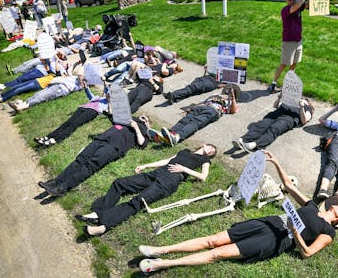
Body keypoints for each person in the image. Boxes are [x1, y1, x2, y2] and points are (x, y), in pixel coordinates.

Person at [137, 150, 338, 273]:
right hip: (269, 222)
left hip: (279, 239)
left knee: (217, 254)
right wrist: (277, 162)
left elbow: (307, 253)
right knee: (213, 240)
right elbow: (288, 186)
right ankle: (161, 249)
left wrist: (295, 232)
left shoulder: (328, 232)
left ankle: (162, 264)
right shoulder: (312, 206)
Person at [75, 144, 217, 236]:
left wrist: (184, 169)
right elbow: (167, 160)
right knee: (120, 183)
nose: (210, 151)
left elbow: (203, 176)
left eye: (212, 152)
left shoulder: (204, 160)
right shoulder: (185, 151)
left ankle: (103, 226)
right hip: (157, 173)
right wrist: (146, 165)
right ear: (204, 145)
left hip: (171, 179)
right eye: (210, 147)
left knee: (138, 201)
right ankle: (97, 212)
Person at [38, 116, 151, 197]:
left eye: (146, 119)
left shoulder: (144, 131)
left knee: (90, 166)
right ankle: (56, 181)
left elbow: (142, 143)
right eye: (143, 117)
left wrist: (137, 127)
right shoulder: (127, 119)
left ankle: (63, 188)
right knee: (79, 160)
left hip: (114, 146)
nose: (143, 118)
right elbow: (111, 114)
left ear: (148, 124)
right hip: (101, 139)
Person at [152, 85, 239, 147]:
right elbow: (204, 101)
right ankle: (169, 134)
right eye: (228, 89)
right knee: (185, 120)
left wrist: (232, 97)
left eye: (231, 90)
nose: (228, 90)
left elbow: (233, 111)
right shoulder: (216, 94)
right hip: (201, 107)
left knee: (195, 123)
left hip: (213, 110)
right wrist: (190, 108)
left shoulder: (231, 101)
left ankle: (177, 137)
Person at [267, 0, 312, 93]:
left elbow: (307, 4)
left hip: (298, 41)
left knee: (294, 63)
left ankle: (287, 84)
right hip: (289, 42)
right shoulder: (285, 10)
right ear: (286, 0)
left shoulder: (298, 7)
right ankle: (273, 84)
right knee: (284, 64)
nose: (291, 1)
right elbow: (299, 4)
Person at [233, 93, 314, 152]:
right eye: (302, 97)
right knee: (262, 125)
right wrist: (279, 98)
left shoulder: (307, 108)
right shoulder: (290, 100)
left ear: (308, 103)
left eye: (305, 99)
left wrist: (302, 106)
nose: (302, 99)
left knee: (275, 128)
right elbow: (275, 106)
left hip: (289, 118)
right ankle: (243, 139)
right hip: (279, 112)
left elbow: (304, 121)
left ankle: (255, 144)